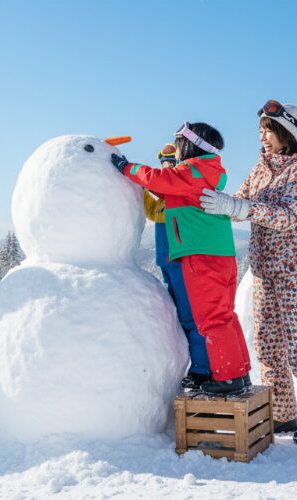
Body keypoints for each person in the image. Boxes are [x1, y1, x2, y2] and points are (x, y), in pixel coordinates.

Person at [199, 100, 297, 445]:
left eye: (268, 129)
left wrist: (240, 207)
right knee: (269, 347)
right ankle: (283, 415)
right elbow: (238, 202)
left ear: (286, 132)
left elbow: (287, 215)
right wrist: (208, 198)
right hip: (264, 272)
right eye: (260, 129)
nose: (262, 136)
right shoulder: (260, 168)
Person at [111, 122, 251, 395]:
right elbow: (164, 191)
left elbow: (161, 181)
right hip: (219, 255)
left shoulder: (192, 170)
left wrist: (127, 168)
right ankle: (239, 372)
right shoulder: (207, 172)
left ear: (189, 145)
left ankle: (227, 378)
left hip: (200, 255)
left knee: (211, 319)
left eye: (177, 144)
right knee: (225, 316)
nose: (175, 151)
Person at [143, 144, 212, 389]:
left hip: (183, 261)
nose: (167, 165)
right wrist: (141, 187)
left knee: (191, 315)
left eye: (171, 160)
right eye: (163, 161)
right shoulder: (164, 200)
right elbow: (152, 212)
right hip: (167, 262)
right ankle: (194, 366)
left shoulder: (183, 194)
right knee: (176, 317)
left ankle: (203, 369)